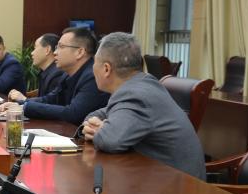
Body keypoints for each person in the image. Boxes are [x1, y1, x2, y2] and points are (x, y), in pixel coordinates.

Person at [83, 32, 206, 179]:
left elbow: (110, 140)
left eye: (94, 63)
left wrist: (102, 130)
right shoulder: (143, 83)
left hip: (179, 185)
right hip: (162, 176)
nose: (92, 68)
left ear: (106, 69)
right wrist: (97, 126)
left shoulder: (135, 94)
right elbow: (102, 114)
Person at [0, 26, 108, 124]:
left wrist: (25, 107)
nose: (55, 52)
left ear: (79, 52)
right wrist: (21, 104)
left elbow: (73, 113)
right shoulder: (67, 75)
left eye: (61, 47)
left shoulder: (92, 76)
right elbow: (51, 99)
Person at [8, 33, 65, 102]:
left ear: (47, 50)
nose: (32, 53)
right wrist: (22, 96)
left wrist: (24, 99)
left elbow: (49, 103)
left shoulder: (57, 74)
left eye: (35, 48)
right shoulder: (46, 71)